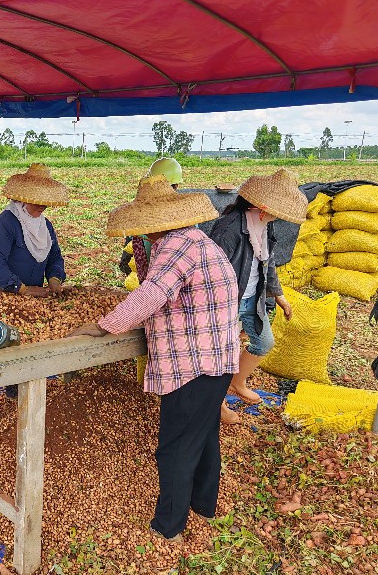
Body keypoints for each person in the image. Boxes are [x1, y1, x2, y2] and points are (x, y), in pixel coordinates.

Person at [69, 174, 240, 543]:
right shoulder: (195, 239)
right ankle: (203, 506)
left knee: (176, 447)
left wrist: (104, 325)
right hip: (218, 358)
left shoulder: (177, 247)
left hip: (193, 363)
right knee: (204, 435)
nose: (143, 232)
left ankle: (169, 527)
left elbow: (151, 294)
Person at [208, 169, 308, 425]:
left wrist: (279, 296)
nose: (279, 217)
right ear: (262, 207)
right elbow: (210, 272)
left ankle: (237, 382)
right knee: (223, 356)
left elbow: (268, 262)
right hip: (226, 303)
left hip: (253, 297)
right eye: (277, 211)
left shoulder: (264, 225)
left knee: (264, 343)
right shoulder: (229, 228)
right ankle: (216, 404)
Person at [0, 163, 69, 423]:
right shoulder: (4, 225)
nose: (41, 207)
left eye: (44, 202)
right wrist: (22, 289)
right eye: (36, 201)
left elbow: (55, 257)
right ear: (22, 199)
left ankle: (14, 386)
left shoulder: (45, 226)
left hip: (27, 296)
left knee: (20, 339)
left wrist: (55, 278)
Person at [119, 157, 184, 278]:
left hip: (147, 274)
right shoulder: (188, 213)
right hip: (174, 274)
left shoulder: (140, 209)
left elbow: (132, 243)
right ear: (176, 185)